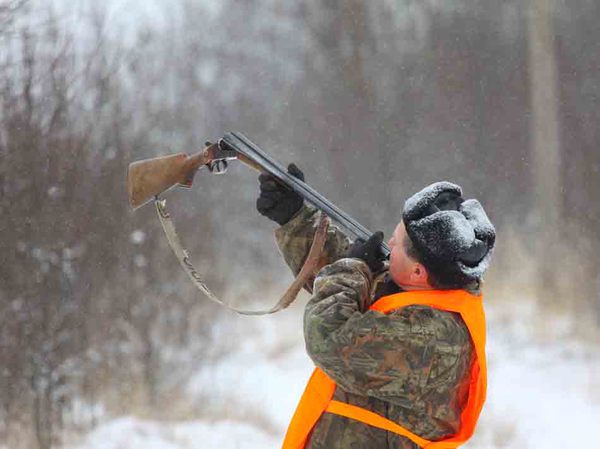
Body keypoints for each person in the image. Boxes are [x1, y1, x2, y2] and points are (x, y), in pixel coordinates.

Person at [256, 164, 496, 449]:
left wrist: (355, 268)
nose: (390, 242)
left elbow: (329, 334)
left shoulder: (431, 339)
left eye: (397, 243)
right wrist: (295, 217)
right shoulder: (428, 291)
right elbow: (347, 285)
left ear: (418, 273)